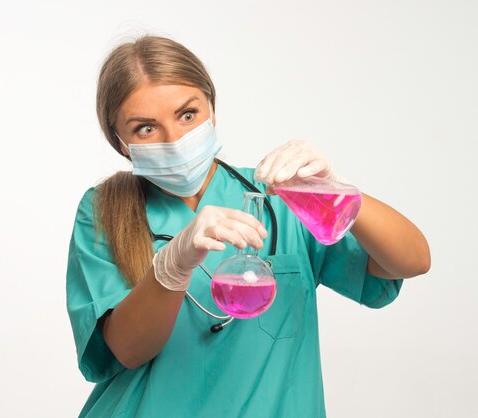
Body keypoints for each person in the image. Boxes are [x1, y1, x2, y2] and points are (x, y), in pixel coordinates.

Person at [66, 35, 430, 418]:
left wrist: (338, 196)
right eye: (145, 128)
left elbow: (413, 260)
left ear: (212, 109)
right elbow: (127, 348)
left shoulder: (279, 195)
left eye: (188, 114)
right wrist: (171, 267)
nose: (175, 140)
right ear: (121, 142)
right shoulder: (105, 211)